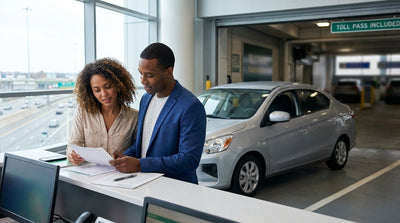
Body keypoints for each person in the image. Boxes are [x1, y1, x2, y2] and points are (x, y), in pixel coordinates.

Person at [110, 43, 207, 184]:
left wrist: (139, 164)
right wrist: (126, 157)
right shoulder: (146, 99)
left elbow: (189, 160)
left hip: (175, 188)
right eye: (140, 73)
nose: (143, 81)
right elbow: (143, 142)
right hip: (143, 182)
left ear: (168, 72)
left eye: (149, 75)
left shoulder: (190, 106)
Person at [67, 58, 139, 165]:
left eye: (108, 87)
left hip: (120, 175)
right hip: (89, 175)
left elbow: (137, 151)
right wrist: (71, 154)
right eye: (97, 90)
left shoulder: (134, 117)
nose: (103, 94)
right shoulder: (83, 112)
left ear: (118, 85)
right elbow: (74, 144)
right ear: (91, 92)